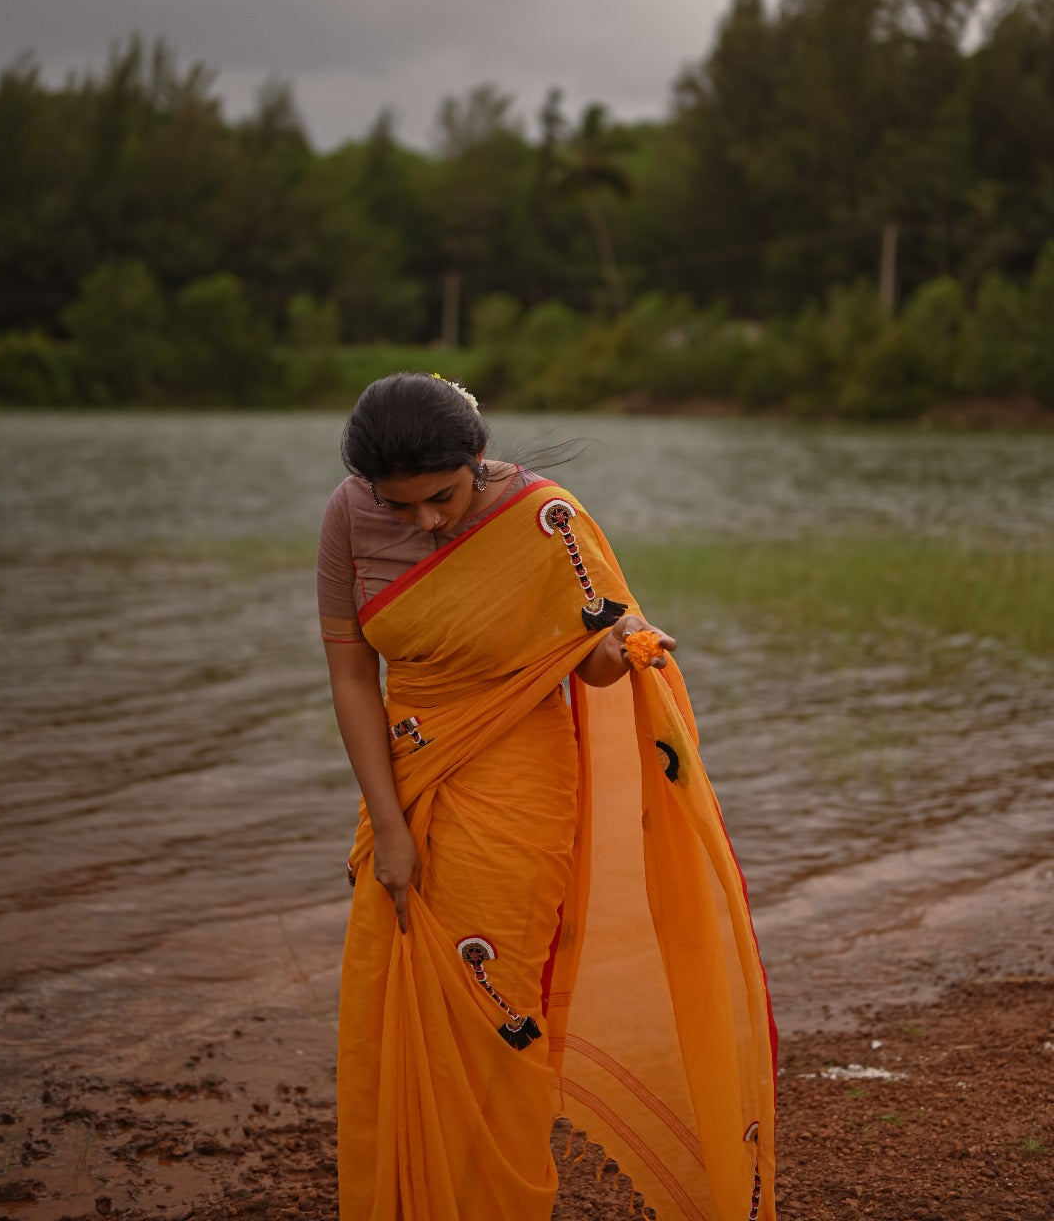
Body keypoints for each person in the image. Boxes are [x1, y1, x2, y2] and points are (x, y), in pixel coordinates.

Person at [317, 372, 776, 1221]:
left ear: (478, 457)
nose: (425, 521)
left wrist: (628, 643)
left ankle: (499, 1200)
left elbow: (590, 656)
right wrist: (388, 827)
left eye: (442, 497)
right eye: (399, 503)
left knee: (494, 997)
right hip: (407, 777)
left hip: (517, 784)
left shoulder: (544, 519)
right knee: (393, 993)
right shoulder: (349, 515)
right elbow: (351, 675)